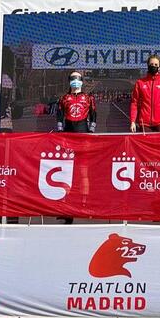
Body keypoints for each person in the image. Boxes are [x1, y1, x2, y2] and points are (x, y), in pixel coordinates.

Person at [55, 71, 96, 225]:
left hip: (83, 137)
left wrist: (91, 130)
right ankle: (66, 204)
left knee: (83, 171)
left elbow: (94, 114)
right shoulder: (64, 98)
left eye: (78, 78)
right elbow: (59, 115)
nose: (75, 80)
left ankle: (84, 202)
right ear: (69, 81)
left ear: (82, 81)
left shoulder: (88, 97)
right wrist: (60, 130)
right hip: (68, 138)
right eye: (72, 78)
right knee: (66, 172)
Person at [130, 54, 160, 132]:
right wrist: (132, 121)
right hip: (145, 123)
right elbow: (134, 103)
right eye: (151, 64)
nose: (153, 66)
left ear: (159, 67)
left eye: (156, 65)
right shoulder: (140, 83)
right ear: (148, 65)